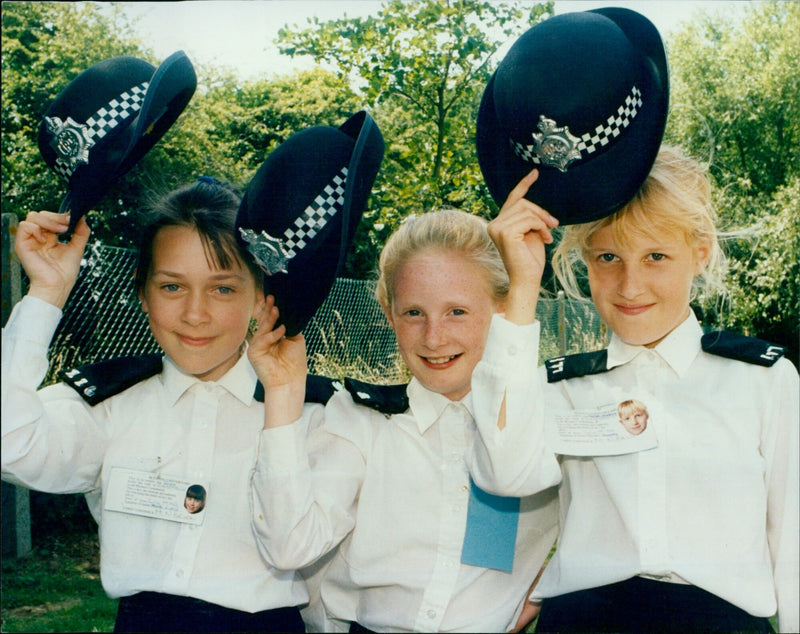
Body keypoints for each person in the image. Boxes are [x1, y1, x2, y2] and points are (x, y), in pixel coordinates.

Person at [486, 146, 799, 633]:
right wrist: (522, 289)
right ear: (583, 260)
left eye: (656, 256)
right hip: (584, 620)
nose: (630, 285)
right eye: (608, 257)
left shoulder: (763, 380)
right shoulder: (563, 387)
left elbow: (792, 546)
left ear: (700, 253)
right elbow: (505, 476)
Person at [1, 178, 308, 633]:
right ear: (142, 294)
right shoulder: (110, 405)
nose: (195, 314)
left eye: (222, 289)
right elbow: (10, 443)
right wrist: (47, 291)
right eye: (171, 287)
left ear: (260, 300)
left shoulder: (306, 413)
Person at [246, 201, 563, 632]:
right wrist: (282, 396)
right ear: (389, 315)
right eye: (414, 313)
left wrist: (554, 582)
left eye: (458, 311)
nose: (434, 337)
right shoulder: (363, 420)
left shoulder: (551, 418)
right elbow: (289, 548)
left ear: (503, 309)